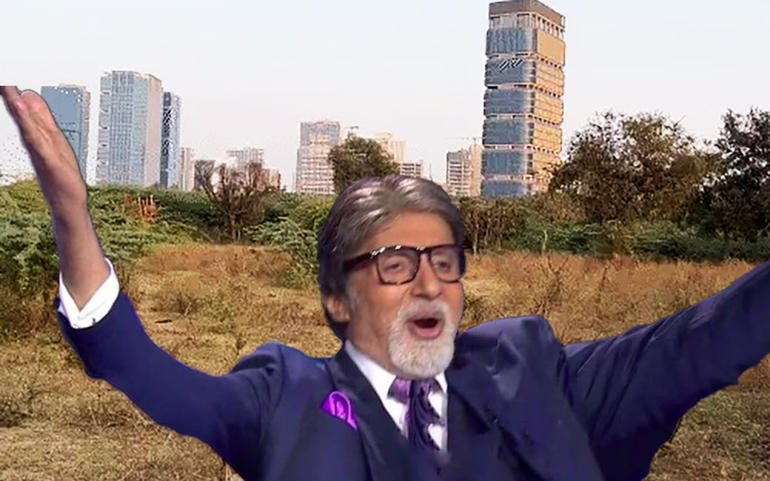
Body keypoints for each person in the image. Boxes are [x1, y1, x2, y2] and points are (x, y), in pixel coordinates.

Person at [2, 85, 770, 481]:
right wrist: (72, 215)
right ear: (336, 298)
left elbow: (696, 344)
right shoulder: (283, 395)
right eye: (396, 264)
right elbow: (142, 369)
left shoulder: (531, 369)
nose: (429, 282)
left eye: (445, 261)